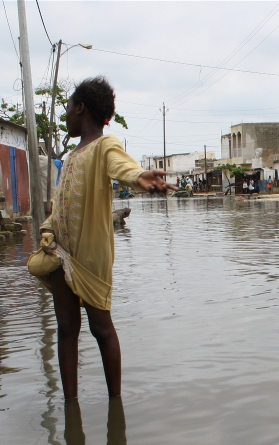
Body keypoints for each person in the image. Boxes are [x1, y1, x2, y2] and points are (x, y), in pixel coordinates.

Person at [39, 76, 175, 400]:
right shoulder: (70, 157)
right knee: (66, 329)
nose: (66, 115)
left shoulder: (103, 146)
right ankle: (70, 405)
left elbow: (121, 165)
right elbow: (60, 204)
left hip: (90, 258)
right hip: (61, 254)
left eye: (69, 107)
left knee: (100, 328)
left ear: (81, 108)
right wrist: (47, 227)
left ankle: (116, 404)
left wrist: (140, 176)